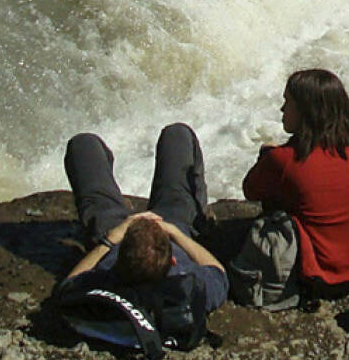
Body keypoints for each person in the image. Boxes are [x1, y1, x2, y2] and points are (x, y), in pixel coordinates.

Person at [242, 69, 349, 292]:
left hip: (326, 275)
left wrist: (267, 158)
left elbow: (250, 190)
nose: (282, 109)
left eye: (288, 102)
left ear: (307, 111)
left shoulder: (284, 160)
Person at [58, 122, 229, 310]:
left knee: (83, 144)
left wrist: (111, 240)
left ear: (119, 261)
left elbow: (69, 284)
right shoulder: (187, 287)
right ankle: (198, 225)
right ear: (172, 261)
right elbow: (218, 273)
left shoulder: (104, 283)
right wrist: (174, 233)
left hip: (110, 229)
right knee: (177, 133)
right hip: (175, 225)